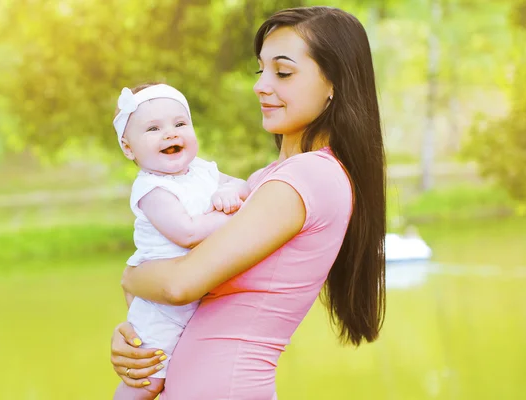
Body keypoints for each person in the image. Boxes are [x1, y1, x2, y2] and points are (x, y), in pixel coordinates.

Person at [110, 6, 386, 399]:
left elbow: (178, 283)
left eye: (283, 72)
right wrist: (136, 336)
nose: (261, 85)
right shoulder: (263, 181)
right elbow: (180, 294)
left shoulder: (309, 178)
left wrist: (130, 276)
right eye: (261, 71)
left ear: (333, 83)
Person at [111, 83, 250, 400]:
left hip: (195, 296)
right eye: (153, 128)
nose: (170, 134)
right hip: (162, 308)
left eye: (180, 123)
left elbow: (242, 184)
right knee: (149, 380)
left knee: (186, 375)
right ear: (129, 148)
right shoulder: (152, 190)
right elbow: (187, 234)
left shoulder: (202, 171)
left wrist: (231, 193)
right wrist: (236, 215)